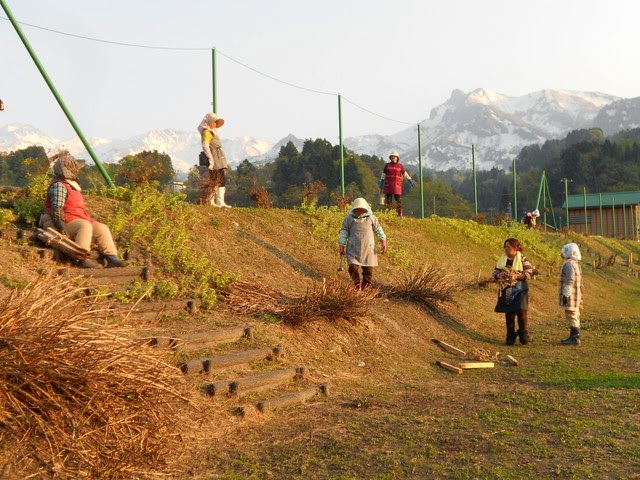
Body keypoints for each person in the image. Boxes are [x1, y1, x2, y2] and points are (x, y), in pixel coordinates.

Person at [39, 154, 129, 269]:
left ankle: (112, 257)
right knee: (84, 226)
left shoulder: (72, 185)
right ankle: (80, 257)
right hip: (58, 222)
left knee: (102, 228)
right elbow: (57, 209)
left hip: (74, 218)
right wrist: (60, 226)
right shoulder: (59, 186)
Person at [338, 197, 387, 289]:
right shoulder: (349, 219)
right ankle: (356, 283)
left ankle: (365, 287)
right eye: (358, 210)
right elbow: (344, 232)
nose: (360, 212)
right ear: (354, 210)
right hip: (353, 248)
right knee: (352, 268)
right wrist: (341, 244)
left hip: (368, 249)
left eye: (362, 210)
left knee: (368, 271)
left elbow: (378, 230)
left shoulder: (372, 218)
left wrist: (383, 241)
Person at [492, 238, 534, 345]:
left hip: (521, 289)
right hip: (508, 290)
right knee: (509, 313)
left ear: (515, 248)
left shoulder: (522, 259)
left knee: (522, 312)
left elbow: (529, 272)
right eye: (505, 247)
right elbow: (495, 273)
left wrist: (517, 276)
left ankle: (523, 335)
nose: (506, 249)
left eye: (508, 247)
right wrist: (499, 275)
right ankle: (510, 337)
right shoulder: (502, 260)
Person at [198, 112, 230, 208]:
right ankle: (211, 201)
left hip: (219, 157)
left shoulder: (212, 132)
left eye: (215, 122)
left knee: (221, 179)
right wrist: (211, 159)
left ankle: (220, 202)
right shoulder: (206, 132)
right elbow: (205, 146)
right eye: (213, 122)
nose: (214, 124)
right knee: (215, 179)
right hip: (214, 157)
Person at [559, 242, 583, 345]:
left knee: (572, 315)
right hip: (576, 294)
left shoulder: (569, 264)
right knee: (575, 315)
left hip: (571, 295)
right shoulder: (575, 263)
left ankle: (575, 338)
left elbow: (570, 280)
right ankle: (573, 336)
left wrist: (566, 294)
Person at [379, 150, 415, 218]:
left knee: (398, 200)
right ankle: (389, 214)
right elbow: (383, 174)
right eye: (392, 157)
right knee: (388, 200)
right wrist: (381, 181)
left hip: (396, 186)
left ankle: (399, 214)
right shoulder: (387, 165)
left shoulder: (400, 166)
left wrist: (410, 180)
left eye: (394, 157)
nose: (393, 158)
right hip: (388, 185)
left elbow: (405, 174)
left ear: (397, 158)